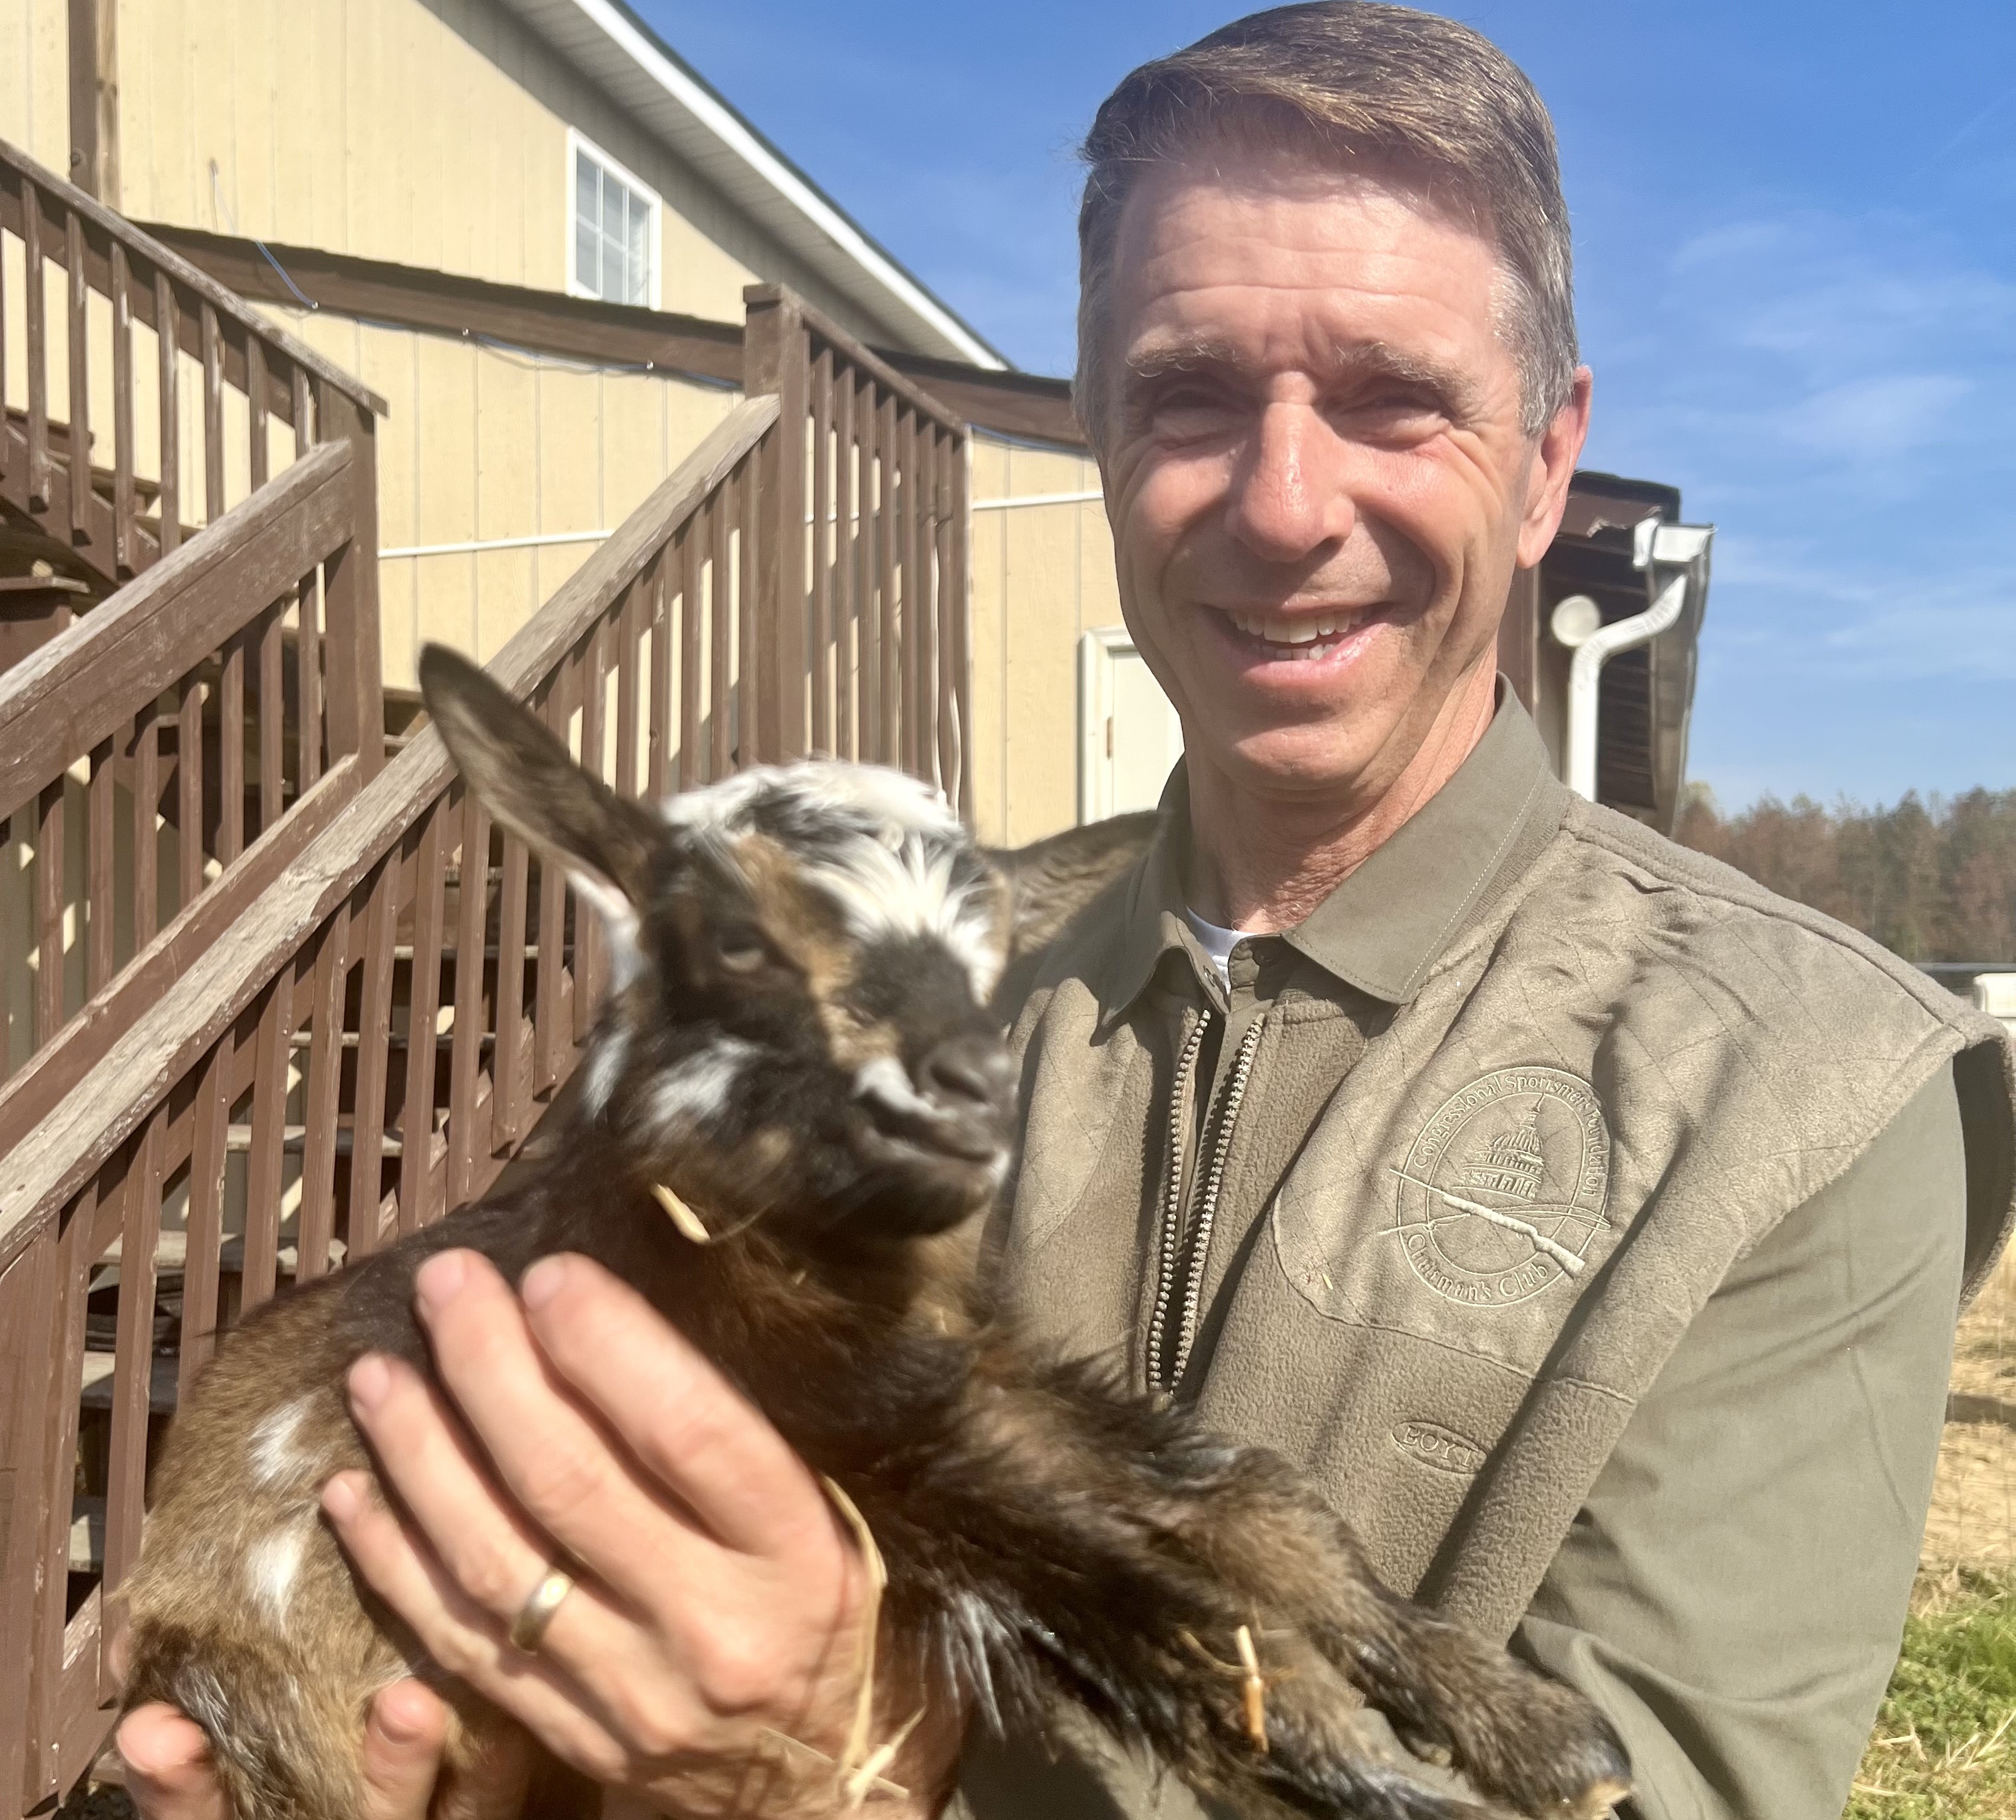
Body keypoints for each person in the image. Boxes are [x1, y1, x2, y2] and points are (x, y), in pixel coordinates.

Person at [120, 6, 2014, 1819]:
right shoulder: (877, 985)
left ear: (1545, 461)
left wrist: (847, 1782)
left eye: (1393, 399)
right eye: (1191, 395)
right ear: (1100, 430)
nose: (1287, 503)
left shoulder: (1796, 1096)